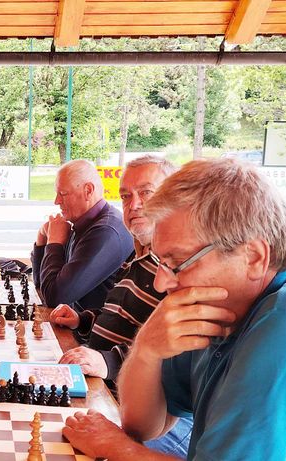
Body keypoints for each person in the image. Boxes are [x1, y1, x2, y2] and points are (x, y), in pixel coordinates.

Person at [61, 158, 286, 460]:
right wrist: (147, 350)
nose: (160, 283)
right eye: (161, 262)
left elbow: (130, 440)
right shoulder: (226, 313)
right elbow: (144, 426)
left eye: (177, 263)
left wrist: (118, 448)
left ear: (254, 257)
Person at [51, 156, 191, 457]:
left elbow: (176, 349)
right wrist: (83, 320)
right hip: (109, 387)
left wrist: (107, 361)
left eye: (146, 193)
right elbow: (122, 319)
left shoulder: (181, 267)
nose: (133, 205)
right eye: (126, 196)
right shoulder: (139, 255)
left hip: (163, 417)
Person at [31, 159, 133, 313]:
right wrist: (42, 239)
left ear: (88, 191)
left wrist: (54, 243)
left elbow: (54, 297)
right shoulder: (82, 223)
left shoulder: (104, 231)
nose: (56, 201)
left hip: (90, 326)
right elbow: (41, 285)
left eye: (63, 194)